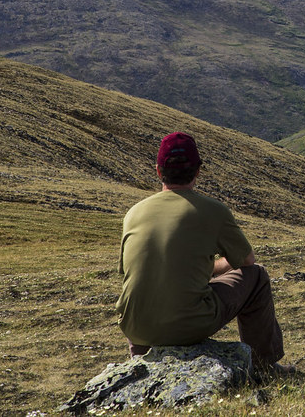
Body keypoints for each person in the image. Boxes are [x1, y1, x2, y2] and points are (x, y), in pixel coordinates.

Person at [116, 132, 291, 377]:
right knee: (258, 276)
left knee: (144, 295)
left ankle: (141, 363)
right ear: (198, 171)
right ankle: (264, 367)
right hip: (188, 324)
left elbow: (131, 273)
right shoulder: (213, 211)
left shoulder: (133, 213)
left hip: (134, 326)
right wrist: (210, 268)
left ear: (158, 170)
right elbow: (246, 261)